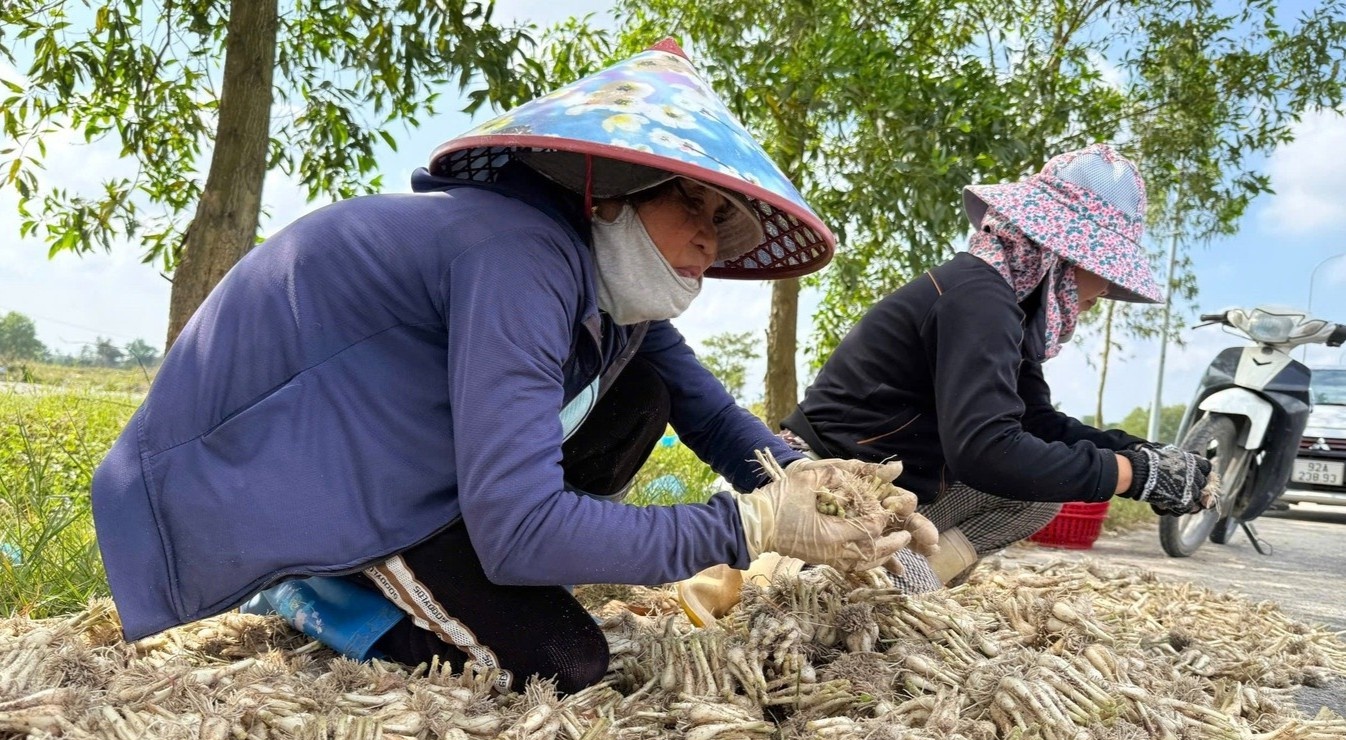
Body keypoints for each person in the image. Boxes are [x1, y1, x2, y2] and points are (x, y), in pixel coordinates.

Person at [91, 40, 929, 694]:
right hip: (268, 478)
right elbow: (519, 527)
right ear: (609, 189)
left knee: (644, 392)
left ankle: (446, 561)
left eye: (723, 216)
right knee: (560, 664)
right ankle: (320, 578)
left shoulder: (603, 286)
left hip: (386, 452)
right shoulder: (517, 255)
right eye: (691, 203)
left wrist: (829, 486)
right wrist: (750, 528)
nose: (711, 237)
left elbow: (711, 417)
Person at [780, 143, 1214, 592]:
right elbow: (986, 451)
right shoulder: (979, 301)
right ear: (1058, 255)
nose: (1102, 289)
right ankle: (880, 583)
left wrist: (1143, 454)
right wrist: (1131, 476)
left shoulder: (1002, 304)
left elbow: (1036, 423)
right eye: (1100, 268)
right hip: (825, 487)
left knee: (1041, 490)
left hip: (885, 489)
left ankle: (910, 579)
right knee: (1022, 480)